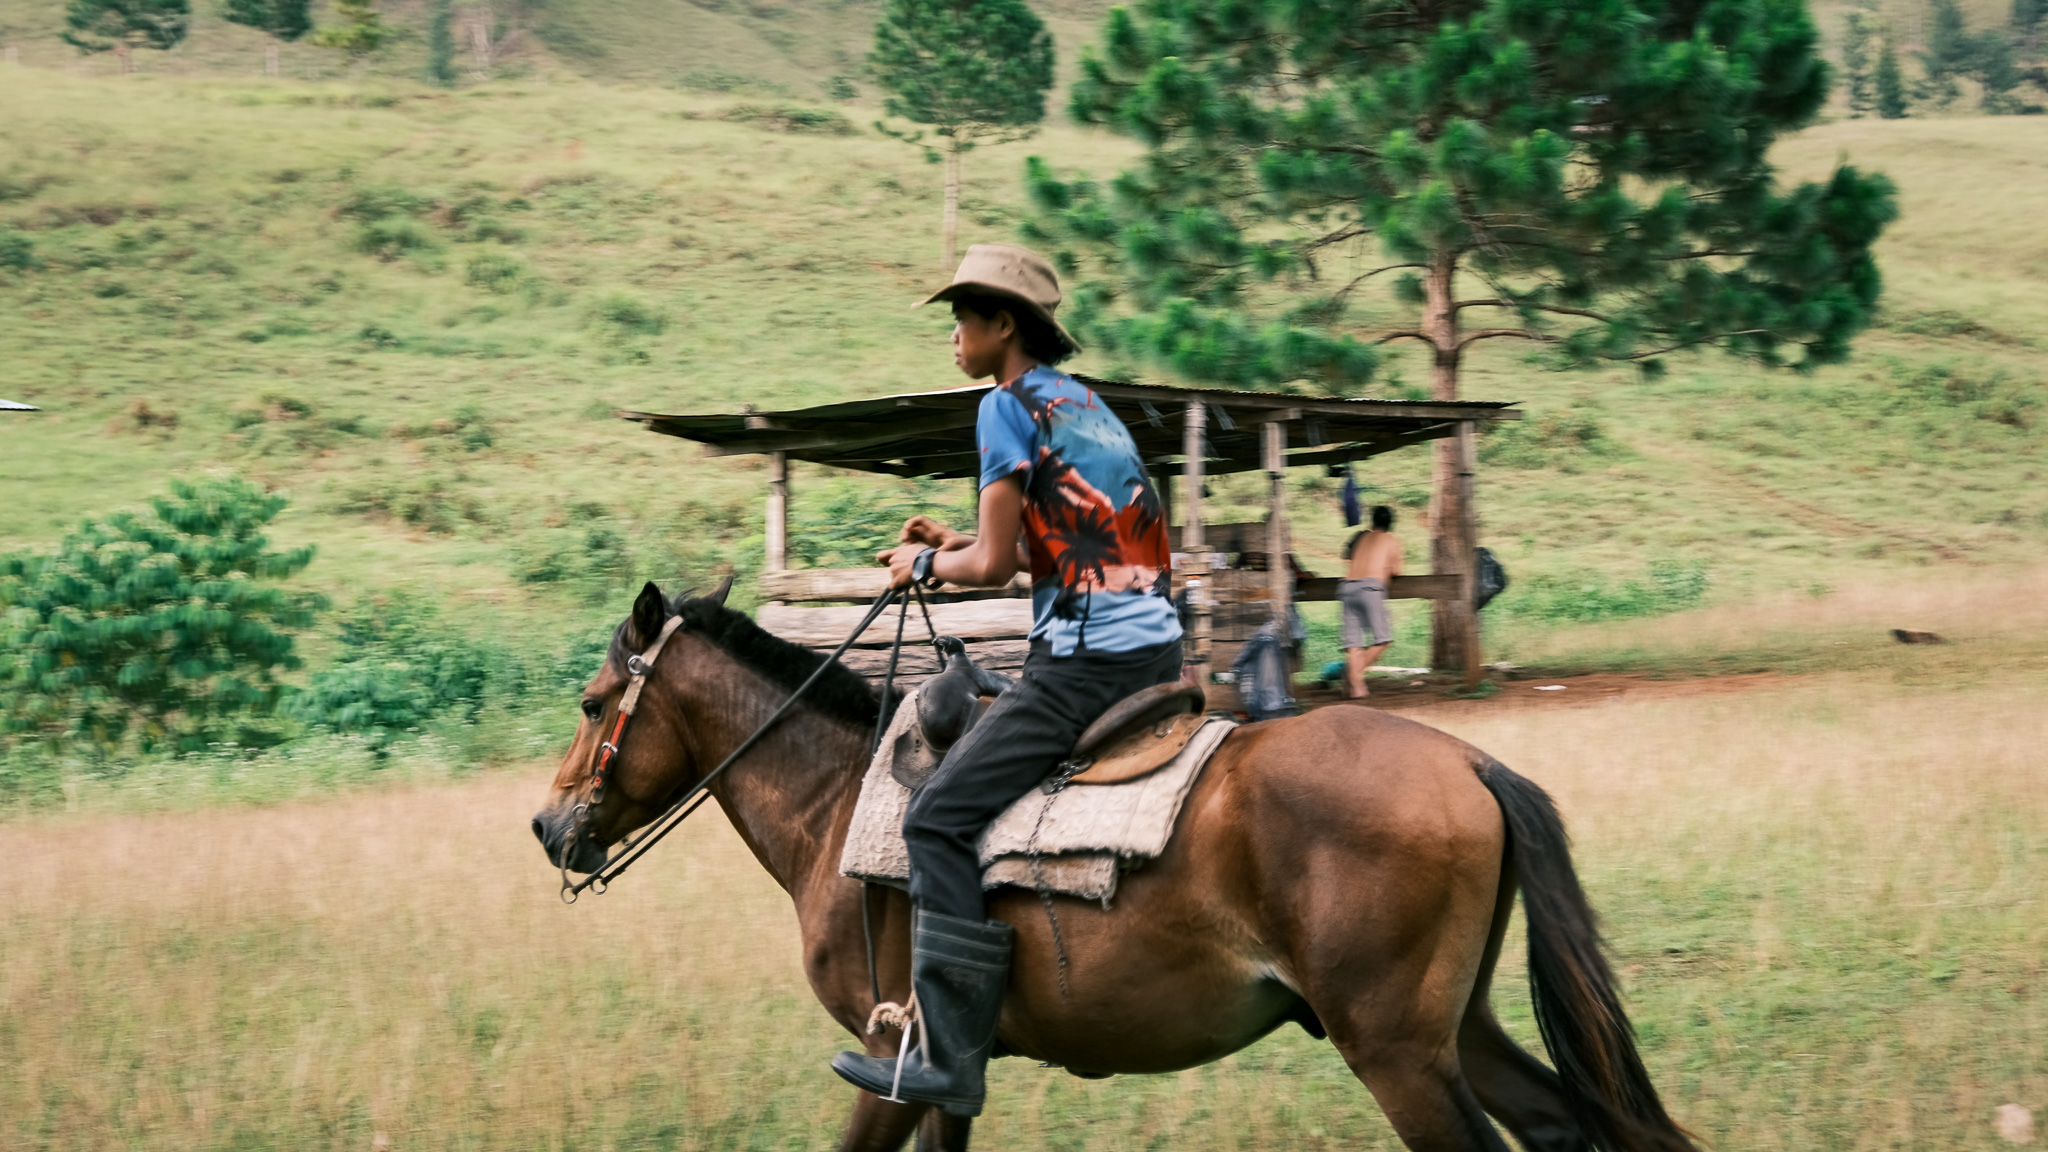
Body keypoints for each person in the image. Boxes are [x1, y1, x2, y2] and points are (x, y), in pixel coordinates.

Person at [832, 244, 1184, 1116]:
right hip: (1156, 651)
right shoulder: (1087, 406)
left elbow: (995, 568)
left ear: (1004, 326)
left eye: (963, 318)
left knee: (936, 818)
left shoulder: (1002, 407)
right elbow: (1055, 546)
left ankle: (949, 1056)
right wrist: (954, 540)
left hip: (1081, 667)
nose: (953, 335)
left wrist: (924, 564)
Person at [1339, 504, 1402, 699]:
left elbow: (1347, 557)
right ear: (1391, 523)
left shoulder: (1361, 537)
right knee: (1382, 640)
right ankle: (1353, 675)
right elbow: (1397, 571)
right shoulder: (1390, 539)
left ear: (1372, 520)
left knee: (1354, 643)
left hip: (1347, 587)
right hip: (1370, 588)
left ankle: (1358, 688)